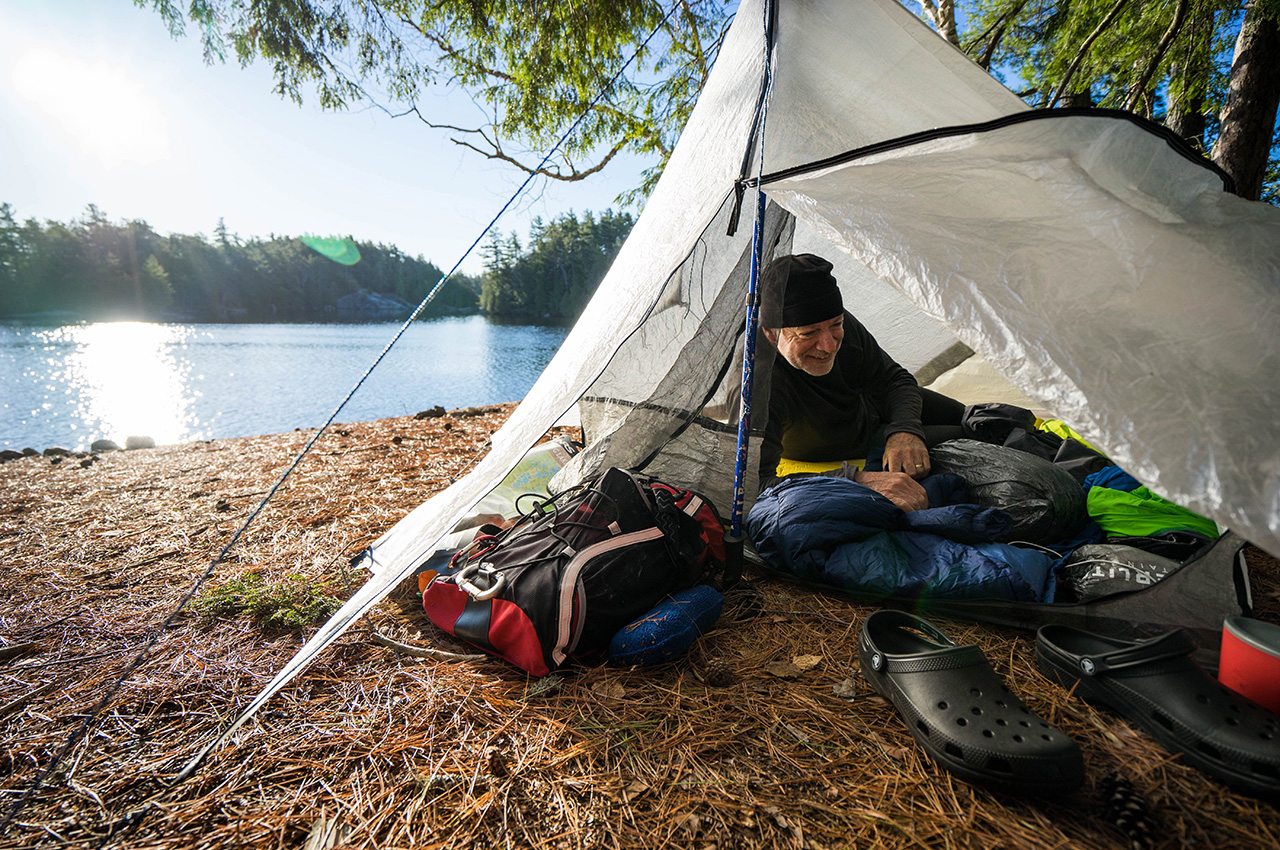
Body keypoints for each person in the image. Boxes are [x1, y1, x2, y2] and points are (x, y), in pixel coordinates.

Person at [758, 253, 965, 511]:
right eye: (808, 333)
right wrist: (854, 479)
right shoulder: (756, 381)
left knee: (975, 418)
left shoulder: (832, 320)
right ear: (771, 334)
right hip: (845, 439)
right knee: (970, 438)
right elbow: (754, 482)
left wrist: (904, 429)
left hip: (869, 407)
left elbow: (894, 379)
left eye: (836, 325)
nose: (828, 345)